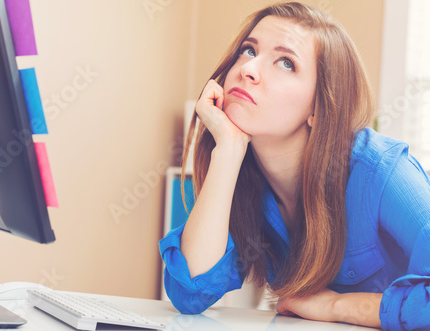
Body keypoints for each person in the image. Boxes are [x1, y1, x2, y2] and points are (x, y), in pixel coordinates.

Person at [158, 2, 430, 330]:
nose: (249, 69)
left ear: (318, 108)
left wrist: (339, 305)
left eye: (286, 62)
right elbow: (190, 294)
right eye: (248, 50)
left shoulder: (383, 174)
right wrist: (228, 151)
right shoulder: (247, 181)